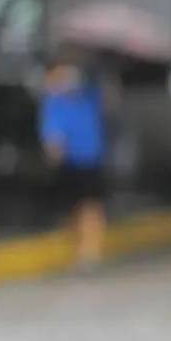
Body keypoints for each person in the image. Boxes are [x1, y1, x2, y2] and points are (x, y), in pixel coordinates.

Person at [39, 52, 108, 267]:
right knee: (80, 207)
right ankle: (83, 249)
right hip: (77, 162)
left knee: (88, 206)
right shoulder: (64, 101)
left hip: (84, 160)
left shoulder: (82, 97)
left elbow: (53, 140)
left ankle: (88, 251)